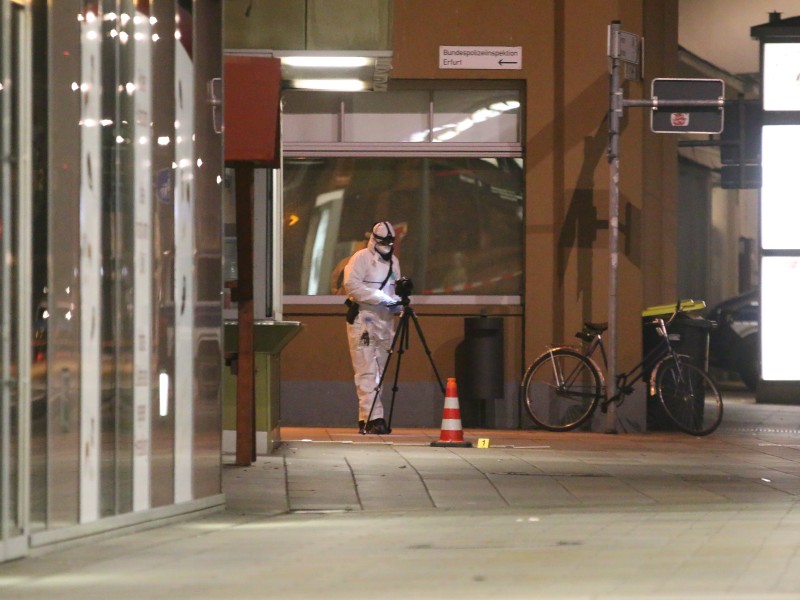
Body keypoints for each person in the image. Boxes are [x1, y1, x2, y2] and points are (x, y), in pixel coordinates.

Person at [343, 221, 402, 434]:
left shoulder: (393, 262)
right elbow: (352, 286)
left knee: (380, 372)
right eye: (383, 242)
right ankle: (372, 418)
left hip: (385, 321)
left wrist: (397, 304)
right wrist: (381, 298)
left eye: (389, 242)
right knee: (367, 370)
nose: (386, 246)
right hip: (364, 319)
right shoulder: (361, 259)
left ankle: (371, 417)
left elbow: (394, 290)